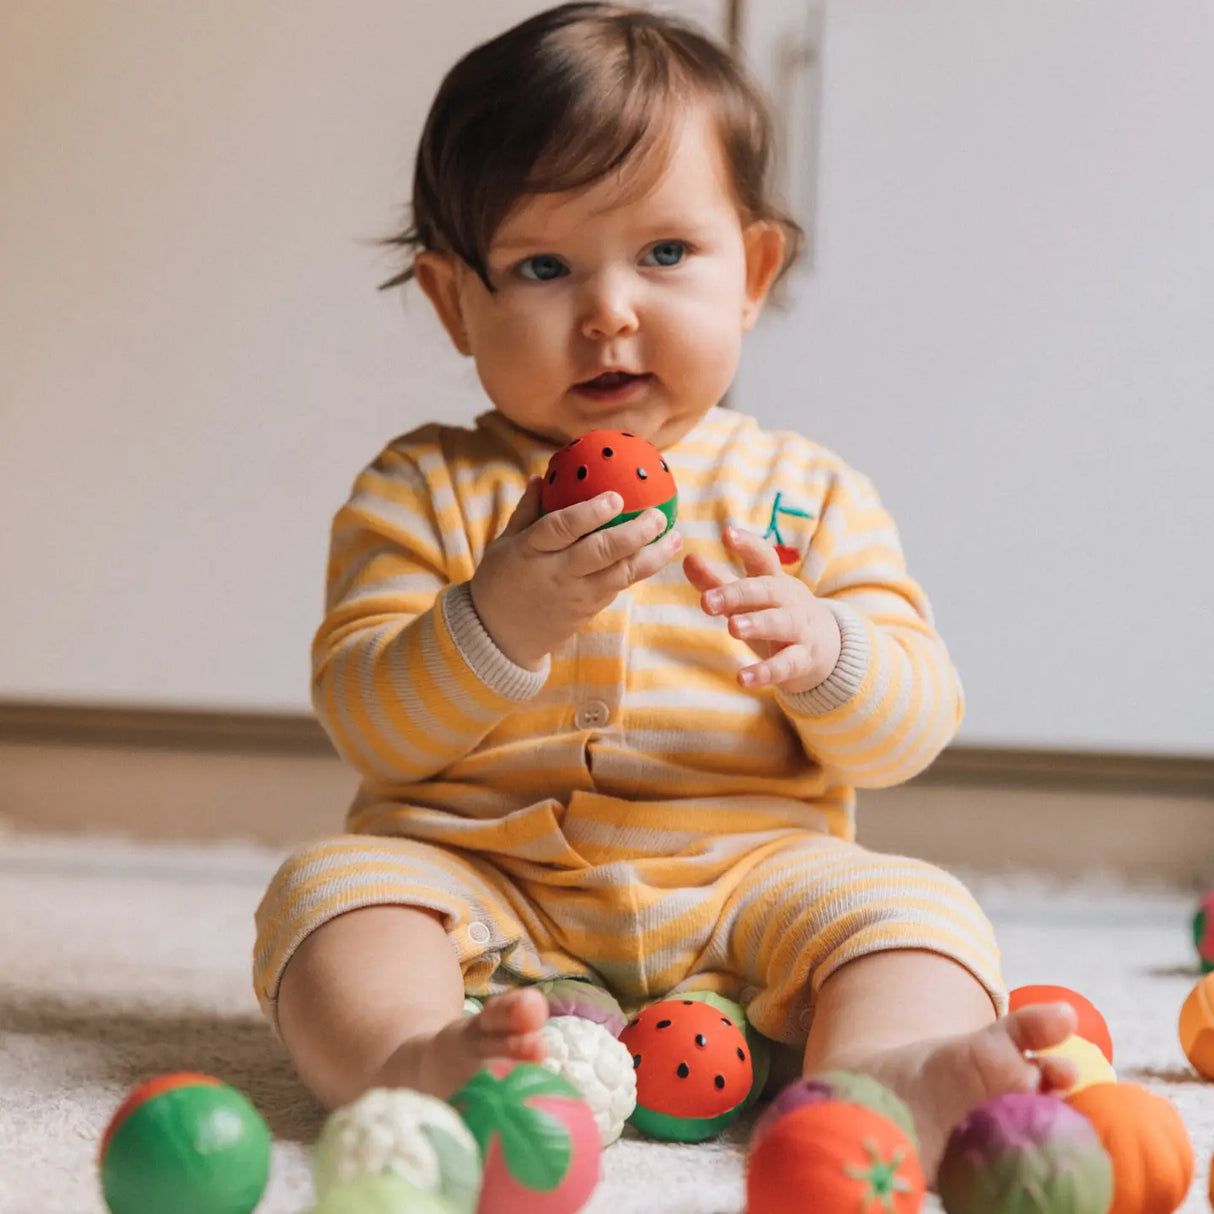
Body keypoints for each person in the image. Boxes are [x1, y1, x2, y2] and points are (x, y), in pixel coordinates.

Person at [253, 1, 1077, 1180]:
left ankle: (883, 1070)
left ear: (751, 272)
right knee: (333, 892)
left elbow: (910, 725)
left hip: (753, 892)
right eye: (542, 266)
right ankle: (419, 1056)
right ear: (451, 301)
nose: (609, 311)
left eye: (665, 254)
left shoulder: (807, 493)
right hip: (491, 891)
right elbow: (367, 719)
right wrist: (497, 620)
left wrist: (828, 652)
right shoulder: (421, 486)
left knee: (912, 907)